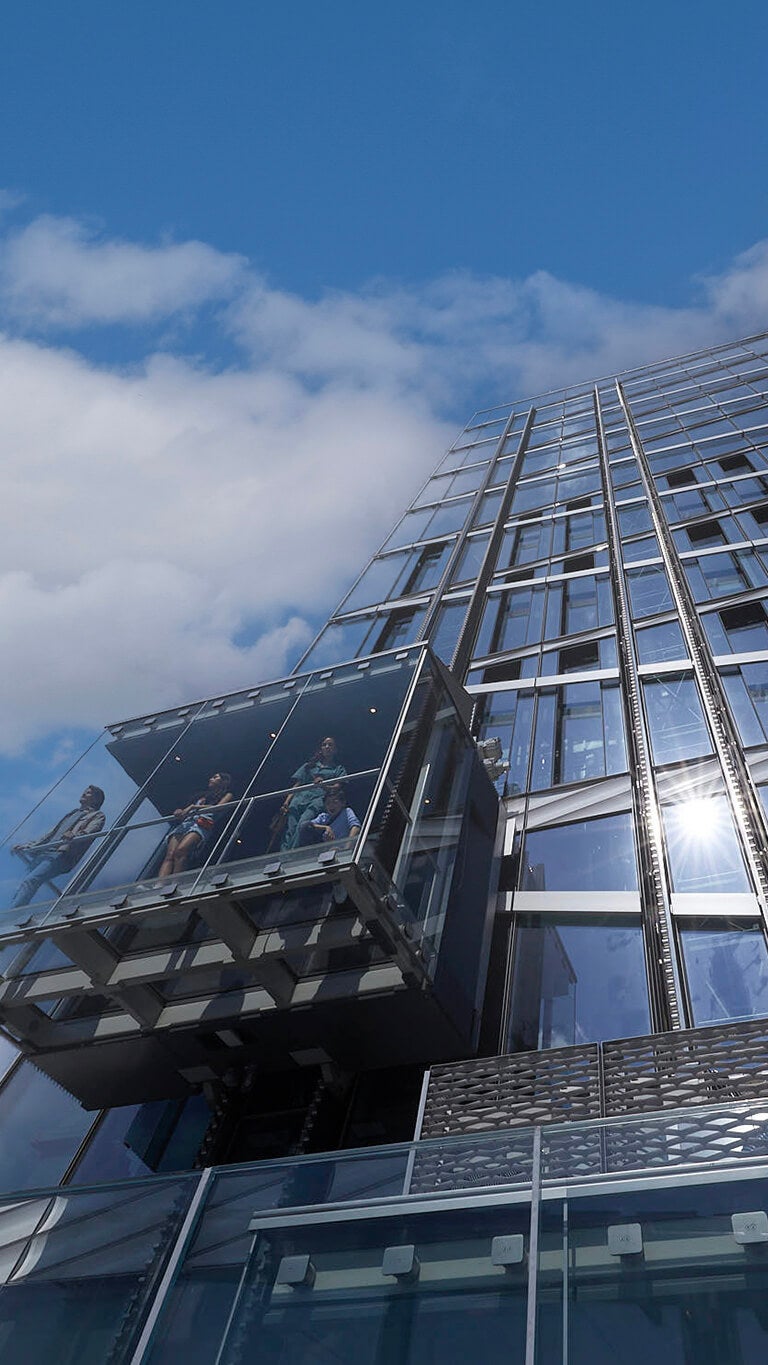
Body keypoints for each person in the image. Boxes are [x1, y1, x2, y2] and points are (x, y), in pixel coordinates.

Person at [12, 784, 106, 908]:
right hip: (45, 852)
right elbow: (51, 834)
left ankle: (10, 918)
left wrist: (74, 835)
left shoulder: (97, 815)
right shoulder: (73, 813)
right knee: (22, 885)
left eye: (88, 793)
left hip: (61, 854)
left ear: (96, 800)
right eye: (84, 791)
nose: (83, 794)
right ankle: (10, 916)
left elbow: (89, 832)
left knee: (31, 880)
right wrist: (28, 846)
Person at [158, 772, 234, 878]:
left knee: (181, 850)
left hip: (202, 823)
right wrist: (179, 811)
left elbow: (218, 807)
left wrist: (193, 807)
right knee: (170, 854)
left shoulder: (227, 795)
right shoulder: (201, 796)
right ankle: (159, 885)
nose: (211, 779)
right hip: (187, 823)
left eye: (215, 777)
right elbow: (185, 810)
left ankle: (175, 883)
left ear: (223, 782)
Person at [276, 737, 347, 850]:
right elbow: (297, 784)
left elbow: (338, 787)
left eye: (330, 745)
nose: (327, 747)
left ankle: (292, 855)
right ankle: (282, 856)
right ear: (321, 748)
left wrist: (323, 785)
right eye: (324, 745)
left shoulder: (337, 769)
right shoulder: (309, 766)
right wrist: (286, 802)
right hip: (299, 798)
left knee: (303, 824)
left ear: (335, 750)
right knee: (290, 829)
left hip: (318, 799)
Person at [297, 782, 361, 845]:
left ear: (343, 803)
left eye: (334, 802)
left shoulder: (347, 812)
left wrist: (347, 847)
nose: (331, 805)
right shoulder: (323, 817)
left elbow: (356, 827)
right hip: (327, 851)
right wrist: (325, 827)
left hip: (343, 852)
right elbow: (303, 826)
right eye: (328, 803)